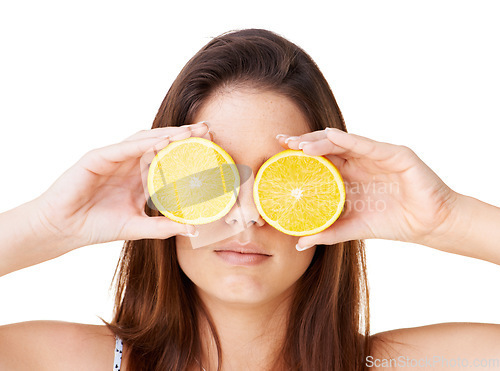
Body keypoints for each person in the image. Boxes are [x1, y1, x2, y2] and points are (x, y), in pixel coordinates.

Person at [0, 28, 499, 371]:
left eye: (280, 181)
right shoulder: (66, 361)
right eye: (211, 176)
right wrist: (50, 225)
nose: (247, 214)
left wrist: (446, 220)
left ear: (332, 192)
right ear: (160, 192)